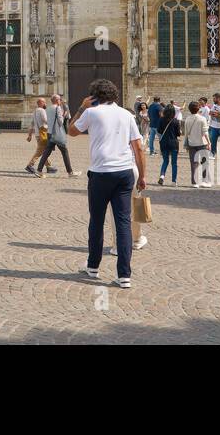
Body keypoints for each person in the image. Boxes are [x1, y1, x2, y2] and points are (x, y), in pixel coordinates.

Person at [69, 79, 145, 290]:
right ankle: (124, 276)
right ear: (114, 95)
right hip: (124, 173)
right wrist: (143, 176)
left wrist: (82, 107)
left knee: (97, 220)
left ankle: (93, 267)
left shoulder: (91, 112)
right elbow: (138, 147)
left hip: (101, 174)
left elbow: (71, 131)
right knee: (123, 223)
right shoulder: (127, 115)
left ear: (94, 96)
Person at [35, 94, 75, 177]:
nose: (60, 101)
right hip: (57, 134)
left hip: (49, 133)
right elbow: (60, 122)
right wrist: (64, 114)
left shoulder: (48, 108)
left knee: (46, 152)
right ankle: (70, 172)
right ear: (57, 100)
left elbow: (47, 121)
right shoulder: (58, 108)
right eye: (60, 99)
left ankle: (39, 170)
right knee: (64, 151)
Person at [182, 100, 210, 187]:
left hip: (191, 143)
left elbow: (186, 133)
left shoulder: (187, 119)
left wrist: (185, 143)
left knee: (193, 163)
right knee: (205, 161)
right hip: (202, 143)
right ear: (198, 109)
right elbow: (205, 133)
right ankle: (204, 181)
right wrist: (209, 143)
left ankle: (194, 182)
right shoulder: (202, 119)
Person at [156, 99, 182, 185]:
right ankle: (173, 181)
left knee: (165, 161)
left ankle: (162, 176)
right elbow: (178, 133)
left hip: (164, 142)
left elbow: (159, 131)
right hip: (173, 143)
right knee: (174, 163)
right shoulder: (175, 121)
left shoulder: (161, 119)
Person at [25, 97, 50, 177]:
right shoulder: (42, 111)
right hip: (43, 133)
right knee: (40, 151)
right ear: (41, 103)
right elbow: (46, 120)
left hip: (37, 134)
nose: (45, 104)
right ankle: (30, 165)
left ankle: (49, 166)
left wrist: (29, 135)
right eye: (44, 102)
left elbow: (32, 124)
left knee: (44, 150)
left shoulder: (35, 111)